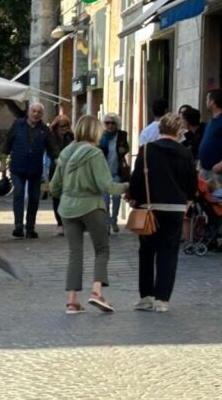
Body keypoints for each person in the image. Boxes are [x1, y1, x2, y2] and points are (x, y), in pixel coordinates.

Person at [50, 115, 128, 314]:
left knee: (75, 254)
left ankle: (72, 301)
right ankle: (96, 292)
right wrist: (128, 187)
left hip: (67, 208)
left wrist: (67, 193)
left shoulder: (66, 152)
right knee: (101, 249)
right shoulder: (94, 154)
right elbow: (107, 185)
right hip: (91, 206)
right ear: (95, 131)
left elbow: (54, 187)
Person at [128, 113, 197, 313]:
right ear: (179, 131)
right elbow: (191, 182)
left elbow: (138, 177)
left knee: (147, 252)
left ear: (160, 130)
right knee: (168, 252)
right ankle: (162, 300)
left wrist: (135, 198)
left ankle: (146, 297)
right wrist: (188, 202)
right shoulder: (185, 153)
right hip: (175, 208)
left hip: (149, 207)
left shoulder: (147, 150)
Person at [1, 102, 50, 239]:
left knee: (34, 198)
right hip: (18, 166)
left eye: (39, 112)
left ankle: (30, 227)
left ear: (42, 115)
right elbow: (6, 144)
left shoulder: (44, 130)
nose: (36, 114)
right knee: (19, 193)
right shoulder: (18, 125)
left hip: (35, 168)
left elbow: (53, 149)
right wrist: (2, 165)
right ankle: (18, 226)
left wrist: (59, 161)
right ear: (28, 112)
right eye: (33, 111)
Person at [100, 113, 130, 234]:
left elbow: (126, 147)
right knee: (105, 200)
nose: (110, 125)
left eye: (112, 123)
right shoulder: (101, 136)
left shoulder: (122, 135)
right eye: (107, 123)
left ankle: (114, 220)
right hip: (103, 172)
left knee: (117, 197)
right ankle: (107, 224)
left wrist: (124, 150)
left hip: (117, 171)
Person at [46, 114, 74, 236]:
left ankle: (67, 222)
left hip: (69, 169)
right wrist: (58, 159)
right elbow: (52, 151)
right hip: (56, 169)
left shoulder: (71, 136)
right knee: (56, 196)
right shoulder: (51, 136)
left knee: (67, 196)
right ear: (56, 126)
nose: (65, 129)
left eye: (67, 126)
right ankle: (59, 224)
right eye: (62, 126)